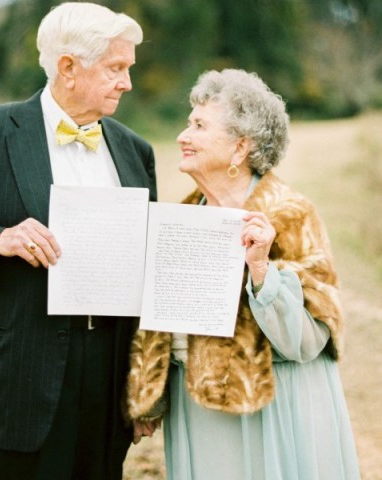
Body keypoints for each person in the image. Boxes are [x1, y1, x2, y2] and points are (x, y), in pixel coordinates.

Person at [0, 3, 156, 479]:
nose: (127, 83)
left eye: (128, 69)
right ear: (68, 67)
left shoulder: (134, 150)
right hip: (19, 370)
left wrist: (146, 385)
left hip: (108, 376)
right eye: (116, 69)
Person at [125, 69, 360, 479]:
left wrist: (262, 271)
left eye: (199, 126)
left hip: (275, 410)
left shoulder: (290, 215)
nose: (182, 136)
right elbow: (160, 322)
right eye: (188, 123)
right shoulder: (183, 217)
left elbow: (310, 339)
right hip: (197, 413)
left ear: (240, 147)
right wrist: (148, 396)